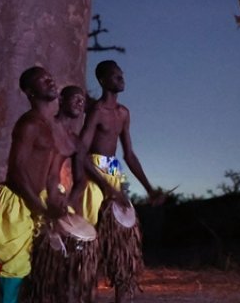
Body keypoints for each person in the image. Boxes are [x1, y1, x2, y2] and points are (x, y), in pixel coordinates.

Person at [79, 60, 160, 303]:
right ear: (103, 81)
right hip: (94, 171)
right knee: (91, 242)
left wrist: (149, 188)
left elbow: (130, 154)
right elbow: (81, 152)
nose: (121, 79)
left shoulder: (123, 113)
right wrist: (104, 186)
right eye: (115, 76)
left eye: (121, 75)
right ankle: (88, 294)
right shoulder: (96, 112)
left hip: (113, 168)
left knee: (124, 243)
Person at [0, 66, 69, 303]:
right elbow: (17, 171)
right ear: (30, 92)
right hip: (17, 200)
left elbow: (52, 172)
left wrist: (54, 199)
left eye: (51, 77)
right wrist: (40, 209)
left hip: (37, 199)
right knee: (15, 267)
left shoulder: (50, 126)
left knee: (39, 266)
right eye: (43, 80)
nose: (51, 81)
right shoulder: (29, 124)